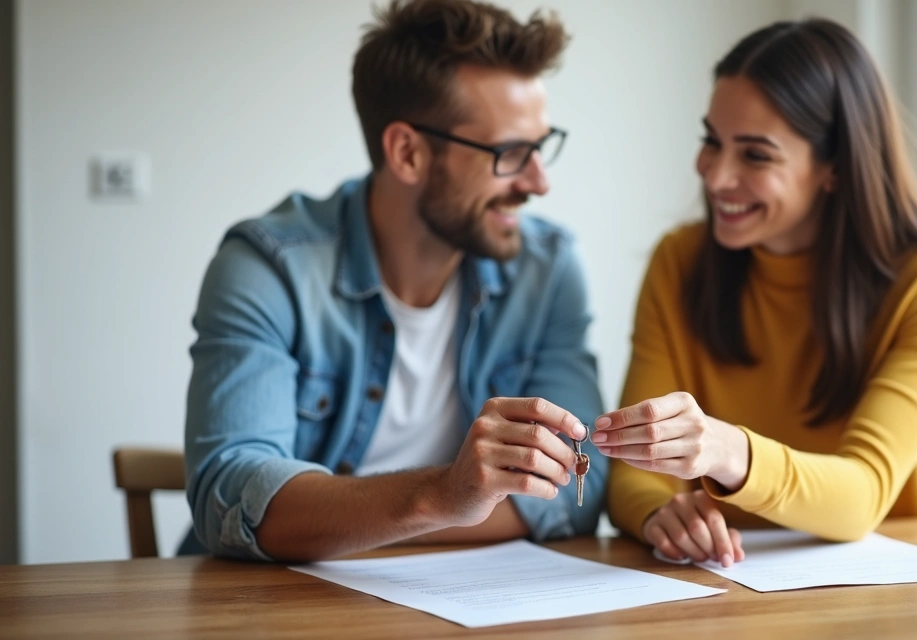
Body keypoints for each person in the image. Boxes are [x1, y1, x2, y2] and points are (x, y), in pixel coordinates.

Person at [182, 0, 604, 562]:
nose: (539, 182)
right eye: (509, 154)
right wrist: (443, 496)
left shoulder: (548, 270)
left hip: (471, 602)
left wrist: (349, 524)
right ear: (407, 152)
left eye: (541, 146)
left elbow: (580, 480)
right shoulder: (270, 268)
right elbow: (232, 493)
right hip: (276, 606)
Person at [594, 18, 917, 567]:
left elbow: (864, 494)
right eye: (712, 141)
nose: (715, 176)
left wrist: (726, 449)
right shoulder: (678, 262)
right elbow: (635, 471)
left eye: (755, 155)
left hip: (907, 583)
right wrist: (661, 513)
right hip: (735, 586)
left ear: (834, 168)